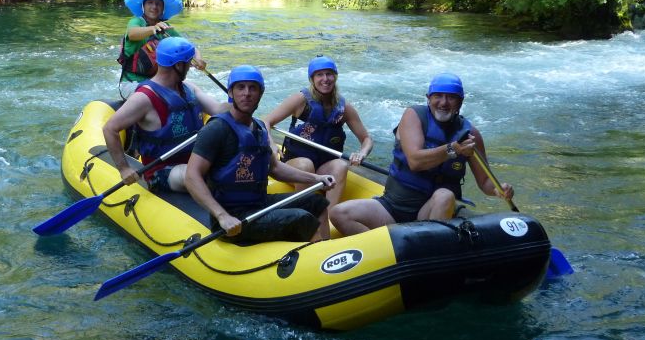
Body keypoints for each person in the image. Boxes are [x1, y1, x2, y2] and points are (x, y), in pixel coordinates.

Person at [330, 73, 514, 235]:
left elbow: (484, 182)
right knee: (339, 214)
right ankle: (387, 251)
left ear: (460, 102)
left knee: (445, 195)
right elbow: (415, 162)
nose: (443, 102)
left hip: (431, 211)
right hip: (393, 208)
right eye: (438, 96)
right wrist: (453, 149)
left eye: (451, 97)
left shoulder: (471, 135)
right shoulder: (413, 116)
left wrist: (498, 189)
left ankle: (425, 248)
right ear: (428, 98)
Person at [185, 65, 336, 243]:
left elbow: (275, 168)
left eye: (253, 88)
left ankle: (329, 256)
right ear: (231, 92)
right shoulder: (217, 129)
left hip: (259, 204)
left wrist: (316, 179)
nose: (247, 93)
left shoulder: (259, 128)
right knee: (302, 218)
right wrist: (221, 215)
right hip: (232, 217)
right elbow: (191, 176)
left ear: (260, 93)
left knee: (316, 203)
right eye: (240, 87)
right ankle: (317, 261)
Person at [103, 37, 227, 193]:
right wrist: (124, 169)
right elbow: (110, 128)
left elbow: (218, 110)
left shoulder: (189, 88)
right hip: (162, 170)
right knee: (190, 173)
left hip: (197, 161)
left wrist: (238, 102)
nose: (190, 66)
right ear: (179, 65)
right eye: (188, 63)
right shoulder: (144, 97)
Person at [263, 55, 373, 212]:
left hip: (323, 167)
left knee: (341, 165)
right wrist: (272, 145)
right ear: (312, 79)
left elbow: (367, 138)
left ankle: (330, 217)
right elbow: (265, 123)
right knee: (305, 164)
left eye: (329, 74)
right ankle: (302, 214)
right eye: (320, 75)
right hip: (295, 165)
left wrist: (362, 153)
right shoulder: (300, 100)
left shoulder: (343, 108)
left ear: (335, 77)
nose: (325, 79)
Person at [118, 0, 206, 94]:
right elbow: (132, 34)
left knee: (191, 91)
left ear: (163, 8)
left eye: (158, 4)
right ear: (143, 6)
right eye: (150, 3)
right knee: (157, 96)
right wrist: (153, 28)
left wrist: (198, 58)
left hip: (156, 82)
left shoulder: (165, 27)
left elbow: (188, 46)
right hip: (131, 83)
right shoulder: (136, 21)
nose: (154, 7)